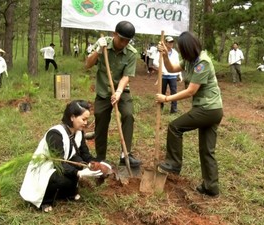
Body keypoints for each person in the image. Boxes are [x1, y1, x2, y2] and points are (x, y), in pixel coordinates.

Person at [155, 31, 223, 197]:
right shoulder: (190, 60)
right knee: (206, 150)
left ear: (189, 48)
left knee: (175, 127)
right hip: (210, 109)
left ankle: (173, 163)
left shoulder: (202, 63)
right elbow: (171, 68)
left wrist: (167, 98)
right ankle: (211, 187)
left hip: (208, 109)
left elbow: (191, 91)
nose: (182, 54)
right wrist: (164, 55)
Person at [20, 100, 111, 212]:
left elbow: (85, 154)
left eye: (87, 119)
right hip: (46, 168)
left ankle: (67, 193)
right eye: (83, 119)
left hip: (64, 164)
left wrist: (97, 164)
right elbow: (58, 163)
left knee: (79, 162)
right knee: (62, 178)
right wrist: (78, 173)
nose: (86, 123)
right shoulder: (55, 134)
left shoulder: (79, 132)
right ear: (72, 117)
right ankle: (46, 200)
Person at [85, 21, 142, 167]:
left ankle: (125, 154)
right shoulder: (103, 46)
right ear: (114, 34)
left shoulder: (131, 53)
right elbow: (88, 64)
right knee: (100, 118)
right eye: (121, 39)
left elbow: (126, 76)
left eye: (127, 41)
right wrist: (98, 50)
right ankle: (100, 156)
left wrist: (118, 92)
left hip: (122, 91)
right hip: (103, 91)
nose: (124, 43)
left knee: (128, 115)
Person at [153, 36, 182, 114]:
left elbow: (178, 64)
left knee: (174, 92)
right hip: (164, 75)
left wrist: (179, 75)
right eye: (169, 42)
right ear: (165, 43)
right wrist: (161, 69)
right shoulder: (160, 52)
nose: (171, 44)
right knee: (162, 92)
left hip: (173, 75)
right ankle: (160, 107)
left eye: (172, 42)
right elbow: (155, 62)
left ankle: (174, 109)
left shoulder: (175, 53)